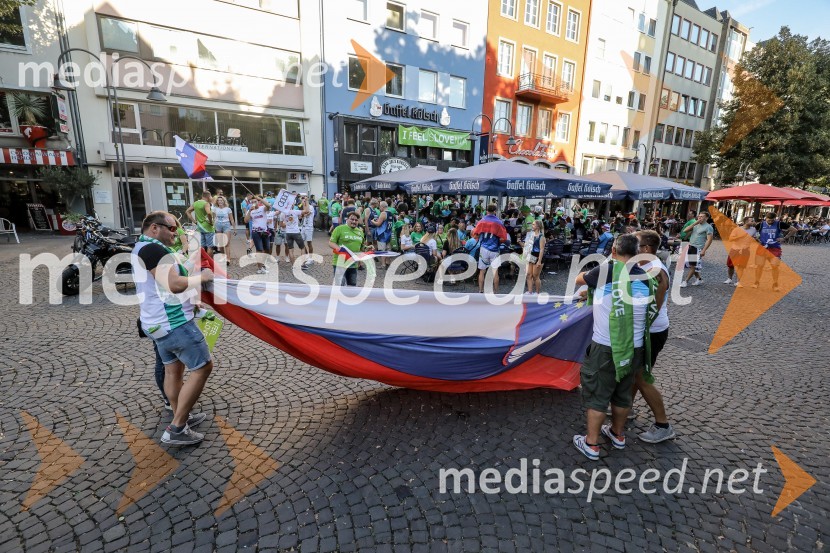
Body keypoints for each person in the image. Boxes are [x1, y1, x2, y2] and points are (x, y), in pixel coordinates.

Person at [132, 211, 214, 446]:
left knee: (173, 371)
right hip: (174, 324)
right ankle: (177, 428)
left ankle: (182, 416)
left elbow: (163, 283)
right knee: (203, 367)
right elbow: (173, 284)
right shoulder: (154, 250)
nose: (175, 233)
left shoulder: (141, 247)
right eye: (171, 228)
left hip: (155, 323)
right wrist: (202, 277)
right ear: (154, 228)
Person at [572, 234, 655, 460]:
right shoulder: (646, 277)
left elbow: (579, 279)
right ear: (637, 253)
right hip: (635, 347)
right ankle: (618, 434)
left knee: (598, 395)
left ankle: (591, 444)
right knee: (623, 393)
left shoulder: (607, 270)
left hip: (606, 346)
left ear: (614, 252)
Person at [633, 230, 676, 443]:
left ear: (646, 249)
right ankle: (626, 407)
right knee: (634, 373)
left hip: (652, 332)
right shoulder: (644, 266)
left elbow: (654, 308)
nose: (632, 248)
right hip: (646, 330)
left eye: (635, 244)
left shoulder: (656, 271)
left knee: (641, 377)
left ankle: (663, 425)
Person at [472, 204, 508, 294]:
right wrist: (498, 243)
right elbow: (504, 238)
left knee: (482, 271)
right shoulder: (499, 222)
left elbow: (475, 234)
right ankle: (496, 292)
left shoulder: (481, 221)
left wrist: (481, 239)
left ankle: (481, 290)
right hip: (495, 249)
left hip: (484, 248)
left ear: (486, 210)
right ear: (495, 211)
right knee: (495, 272)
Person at [328, 211, 365, 286]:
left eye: (356, 220)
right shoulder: (339, 229)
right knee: (340, 286)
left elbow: (361, 247)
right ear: (347, 219)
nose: (354, 221)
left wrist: (367, 248)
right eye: (352, 219)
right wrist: (342, 251)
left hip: (353, 264)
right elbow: (331, 243)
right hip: (340, 263)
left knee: (352, 286)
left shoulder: (360, 232)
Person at [679, 212, 714, 287]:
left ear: (706, 218)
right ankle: (699, 279)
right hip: (691, 246)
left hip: (698, 248)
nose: (699, 218)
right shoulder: (696, 225)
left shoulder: (708, 227)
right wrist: (695, 223)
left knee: (693, 266)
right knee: (691, 265)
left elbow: (709, 240)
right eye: (699, 216)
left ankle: (685, 281)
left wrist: (704, 250)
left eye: (702, 217)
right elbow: (685, 230)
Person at [753, 213, 785, 291]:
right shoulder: (760, 224)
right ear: (765, 218)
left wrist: (784, 238)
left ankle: (775, 284)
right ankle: (756, 282)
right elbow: (753, 232)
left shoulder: (779, 224)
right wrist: (756, 239)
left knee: (775, 266)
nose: (770, 221)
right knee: (759, 266)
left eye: (772, 220)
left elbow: (793, 229)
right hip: (762, 247)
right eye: (769, 220)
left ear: (775, 219)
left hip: (775, 248)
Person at [725, 217, 756, 286]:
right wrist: (740, 236)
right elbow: (730, 239)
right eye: (751, 221)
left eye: (753, 221)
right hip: (735, 249)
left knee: (741, 266)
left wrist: (755, 240)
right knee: (731, 265)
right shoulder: (737, 229)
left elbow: (754, 238)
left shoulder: (753, 230)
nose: (753, 222)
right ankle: (729, 279)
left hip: (745, 250)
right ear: (746, 222)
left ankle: (738, 281)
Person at [245, 196, 272, 274]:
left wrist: (260, 199)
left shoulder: (262, 208)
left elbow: (268, 206)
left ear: (258, 202)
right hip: (256, 232)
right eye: (252, 202)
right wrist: (250, 211)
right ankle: (260, 268)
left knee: (267, 249)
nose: (254, 203)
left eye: (255, 201)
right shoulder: (250, 211)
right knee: (259, 249)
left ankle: (263, 264)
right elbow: (246, 220)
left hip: (265, 231)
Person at [282, 196, 311, 266]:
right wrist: (306, 201)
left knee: (290, 249)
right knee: (302, 247)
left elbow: (282, 224)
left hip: (288, 232)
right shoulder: (295, 211)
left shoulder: (283, 213)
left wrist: (287, 223)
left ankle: (293, 265)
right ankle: (303, 264)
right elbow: (306, 211)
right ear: (291, 205)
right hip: (296, 232)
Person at [185, 190, 215, 256]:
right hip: (208, 227)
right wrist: (211, 222)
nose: (211, 198)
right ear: (208, 196)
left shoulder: (195, 203)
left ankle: (203, 260)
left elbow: (187, 211)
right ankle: (209, 261)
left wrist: (194, 221)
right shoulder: (206, 203)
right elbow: (209, 213)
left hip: (199, 227)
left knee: (202, 246)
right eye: (211, 196)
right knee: (210, 246)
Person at [521, 219, 546, 295]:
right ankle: (530, 292)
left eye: (533, 224)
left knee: (535, 276)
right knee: (529, 275)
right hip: (530, 255)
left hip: (537, 256)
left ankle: (537, 293)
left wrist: (539, 261)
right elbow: (527, 246)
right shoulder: (531, 235)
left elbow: (541, 249)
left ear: (538, 226)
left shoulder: (541, 237)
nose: (532, 226)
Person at [212, 195, 236, 260]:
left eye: (221, 200)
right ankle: (223, 257)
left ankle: (228, 258)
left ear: (224, 201)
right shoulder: (215, 209)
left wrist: (234, 229)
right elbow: (213, 219)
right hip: (218, 225)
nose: (220, 201)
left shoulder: (228, 209)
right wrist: (213, 227)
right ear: (217, 202)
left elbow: (232, 219)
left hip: (226, 225)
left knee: (227, 243)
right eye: (218, 200)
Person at [300, 195, 315, 261]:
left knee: (309, 243)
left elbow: (306, 213)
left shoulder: (311, 207)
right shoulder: (302, 207)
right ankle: (306, 255)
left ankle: (310, 257)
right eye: (303, 199)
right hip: (303, 227)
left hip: (309, 227)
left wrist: (305, 205)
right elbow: (301, 216)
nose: (303, 200)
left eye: (305, 199)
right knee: (301, 243)